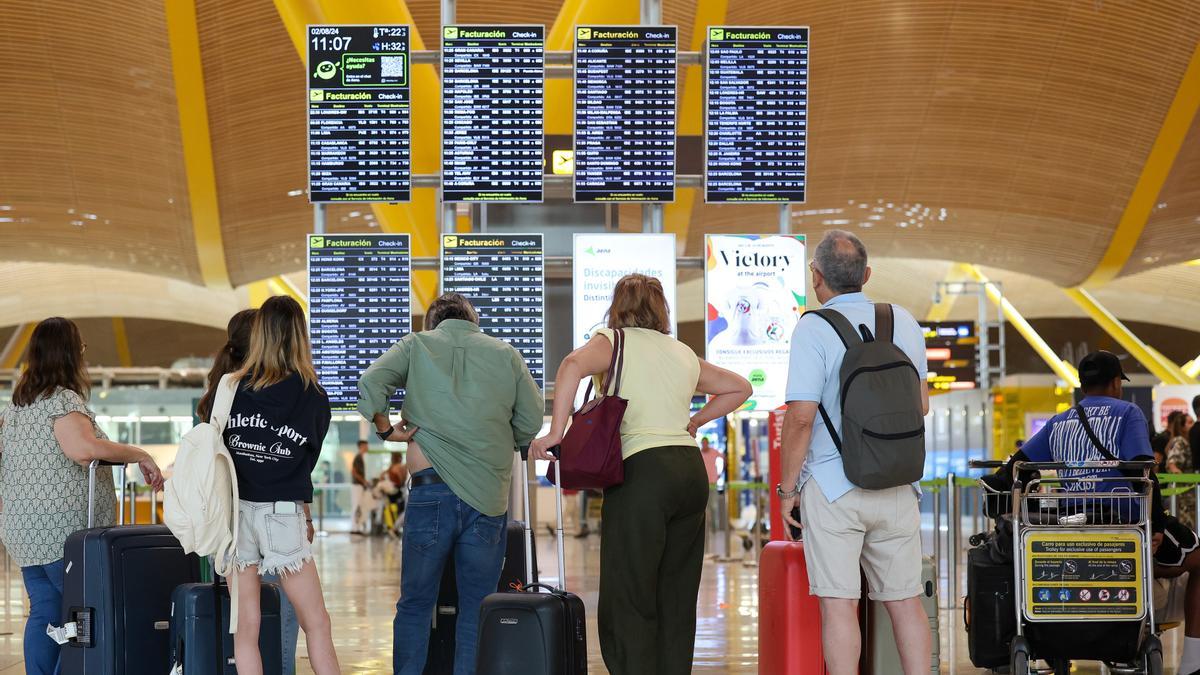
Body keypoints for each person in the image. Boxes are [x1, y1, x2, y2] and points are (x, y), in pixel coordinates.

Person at [530, 274, 752, 675]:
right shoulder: (681, 351)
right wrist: (695, 421)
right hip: (688, 472)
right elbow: (739, 388)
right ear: (660, 308)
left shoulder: (614, 341)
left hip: (644, 471)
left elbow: (571, 365)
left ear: (618, 307)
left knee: (629, 589)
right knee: (677, 591)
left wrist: (556, 432)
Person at [358, 293, 543, 675]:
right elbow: (530, 420)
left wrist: (384, 429)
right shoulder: (506, 354)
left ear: (433, 322)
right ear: (474, 321)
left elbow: (371, 381)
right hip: (488, 500)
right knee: (476, 607)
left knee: (415, 604)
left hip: (431, 492)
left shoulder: (417, 344)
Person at [777, 230, 932, 675]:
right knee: (904, 601)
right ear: (866, 275)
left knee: (839, 604)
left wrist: (788, 491)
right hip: (898, 483)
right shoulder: (902, 320)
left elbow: (801, 418)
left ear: (816, 277)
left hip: (832, 486)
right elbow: (920, 404)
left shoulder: (813, 327)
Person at [994, 351, 1200, 674]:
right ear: (1117, 383)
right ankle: (1192, 664)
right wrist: (1157, 525)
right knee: (1198, 557)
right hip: (1124, 525)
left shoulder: (1059, 423)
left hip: (1071, 527)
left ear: (1083, 385)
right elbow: (1143, 472)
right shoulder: (1128, 413)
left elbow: (1016, 468)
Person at [0, 317, 165, 675]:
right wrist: (139, 453)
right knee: (86, 613)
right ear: (70, 353)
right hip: (64, 535)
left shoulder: (15, 408)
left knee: (45, 610)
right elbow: (84, 449)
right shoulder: (62, 399)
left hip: (24, 531)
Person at [223, 296, 341, 675]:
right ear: (299, 337)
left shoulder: (231, 388)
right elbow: (307, 459)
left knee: (246, 629)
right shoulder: (313, 395)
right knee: (316, 623)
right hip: (282, 515)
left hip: (236, 515)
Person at [196, 308, 303, 675]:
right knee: (290, 614)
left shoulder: (220, 394)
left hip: (231, 522)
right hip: (277, 516)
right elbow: (297, 460)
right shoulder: (286, 392)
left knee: (245, 625)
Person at [1167, 410, 1196, 528]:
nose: (1193, 425)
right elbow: (1172, 463)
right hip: (1183, 496)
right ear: (1182, 427)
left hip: (1188, 495)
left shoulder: (1188, 441)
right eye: (1190, 422)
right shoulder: (1180, 441)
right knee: (1186, 526)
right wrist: (1181, 478)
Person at [350, 440, 371, 535]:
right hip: (357, 485)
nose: (367, 447)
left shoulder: (360, 457)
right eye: (366, 445)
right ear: (361, 446)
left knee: (359, 506)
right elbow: (354, 472)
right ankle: (354, 528)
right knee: (356, 506)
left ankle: (357, 527)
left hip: (360, 485)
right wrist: (363, 481)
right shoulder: (358, 457)